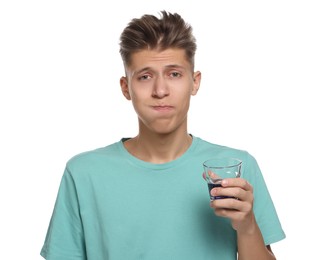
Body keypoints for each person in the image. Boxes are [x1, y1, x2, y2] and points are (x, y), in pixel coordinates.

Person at [40, 10, 285, 259]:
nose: (160, 90)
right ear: (126, 87)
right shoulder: (84, 173)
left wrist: (247, 226)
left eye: (174, 74)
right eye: (145, 77)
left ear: (195, 82)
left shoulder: (237, 168)